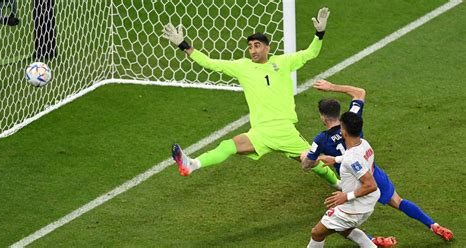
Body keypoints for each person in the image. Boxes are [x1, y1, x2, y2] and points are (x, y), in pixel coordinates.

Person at [162, 8, 339, 188]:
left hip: (284, 131)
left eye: (257, 45)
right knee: (227, 146)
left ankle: (338, 183)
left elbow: (311, 53)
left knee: (310, 161)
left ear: (267, 47)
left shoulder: (283, 62)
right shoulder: (243, 67)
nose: (252, 50)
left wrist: (319, 33)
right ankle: (192, 164)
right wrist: (183, 45)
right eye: (250, 46)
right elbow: (210, 63)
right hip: (260, 132)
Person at [301, 79, 454, 245]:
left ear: (323, 117)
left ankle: (371, 241)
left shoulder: (321, 139)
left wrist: (306, 156)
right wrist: (332, 87)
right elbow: (360, 92)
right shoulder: (353, 121)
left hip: (354, 183)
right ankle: (434, 225)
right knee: (399, 202)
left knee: (335, 222)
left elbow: (307, 165)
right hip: (372, 171)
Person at [307, 112, 380, 248]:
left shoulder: (353, 157)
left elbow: (371, 185)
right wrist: (335, 159)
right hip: (368, 202)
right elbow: (352, 158)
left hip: (355, 207)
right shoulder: (364, 144)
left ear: (344, 131)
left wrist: (346, 196)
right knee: (344, 230)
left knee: (317, 233)